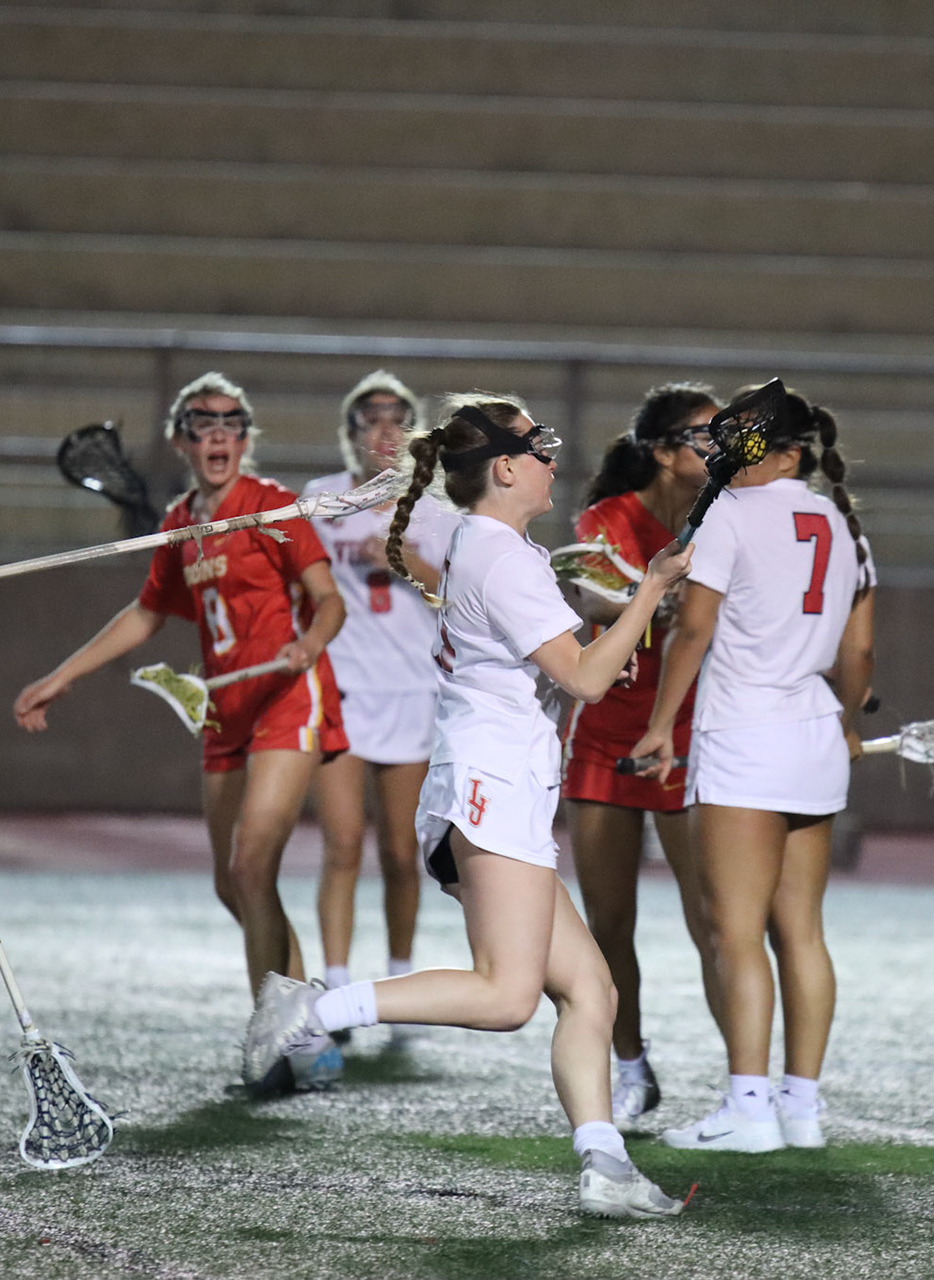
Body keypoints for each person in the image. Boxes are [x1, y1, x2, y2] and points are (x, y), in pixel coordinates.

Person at [245, 395, 692, 1219]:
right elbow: (587, 680)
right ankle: (315, 1007)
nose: (552, 458)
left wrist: (606, 634)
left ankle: (606, 1166)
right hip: (493, 788)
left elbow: (563, 661)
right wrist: (652, 587)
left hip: (491, 786)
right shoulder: (499, 554)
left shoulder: (487, 545)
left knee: (591, 991)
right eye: (537, 445)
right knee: (507, 997)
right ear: (505, 469)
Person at [13, 372, 348, 1028]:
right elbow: (146, 614)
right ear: (180, 441)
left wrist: (309, 642)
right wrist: (63, 675)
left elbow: (329, 599)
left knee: (252, 865)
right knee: (233, 883)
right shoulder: (178, 525)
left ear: (245, 439)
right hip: (224, 708)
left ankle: (274, 1035)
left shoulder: (273, 507)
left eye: (231, 423)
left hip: (287, 695)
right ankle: (306, 1017)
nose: (218, 435)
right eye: (203, 424)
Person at [629, 388, 875, 1154]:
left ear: (786, 450)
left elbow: (693, 630)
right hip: (813, 735)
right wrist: (850, 720)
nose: (726, 453)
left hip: (744, 736)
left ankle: (748, 1109)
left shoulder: (728, 514)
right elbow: (859, 652)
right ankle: (801, 1108)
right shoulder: (841, 520)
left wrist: (659, 726)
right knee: (802, 933)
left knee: (733, 932)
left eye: (741, 440)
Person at [561, 383, 721, 1130]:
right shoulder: (609, 519)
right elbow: (588, 597)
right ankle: (630, 1065)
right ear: (661, 452)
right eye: (704, 437)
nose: (721, 450)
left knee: (715, 922)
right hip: (608, 734)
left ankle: (746, 1084)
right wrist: (657, 597)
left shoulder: (731, 513)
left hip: (695, 734)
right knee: (609, 921)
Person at [301, 372, 455, 1037]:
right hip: (341, 685)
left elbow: (460, 594)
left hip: (412, 689)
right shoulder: (320, 498)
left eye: (398, 419)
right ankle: (336, 986)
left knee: (399, 850)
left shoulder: (436, 507)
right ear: (351, 432)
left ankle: (398, 978)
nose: (385, 431)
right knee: (341, 843)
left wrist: (402, 558)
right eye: (372, 420)